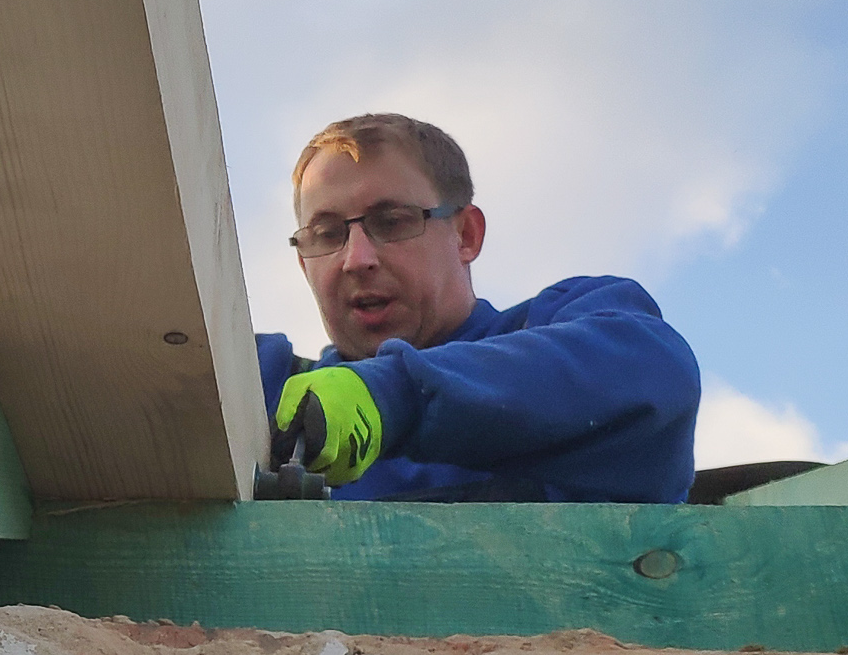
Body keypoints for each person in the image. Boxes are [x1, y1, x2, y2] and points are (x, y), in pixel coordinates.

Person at [259, 113, 699, 502]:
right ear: (304, 263)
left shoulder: (568, 323)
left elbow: (657, 373)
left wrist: (394, 395)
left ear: (466, 235)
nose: (356, 259)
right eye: (327, 234)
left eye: (391, 222)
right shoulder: (266, 389)